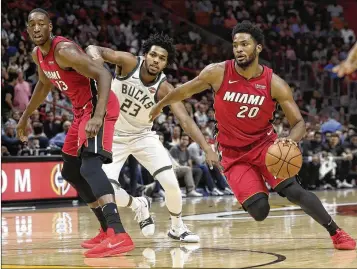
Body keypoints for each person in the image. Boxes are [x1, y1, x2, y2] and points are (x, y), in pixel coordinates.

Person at [149, 21, 356, 250]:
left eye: (245, 44)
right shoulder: (217, 73)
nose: (238, 49)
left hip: (265, 147)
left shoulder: (274, 84)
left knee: (294, 190)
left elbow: (298, 122)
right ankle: (250, 191)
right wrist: (161, 105)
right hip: (232, 153)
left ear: (258, 48)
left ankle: (336, 233)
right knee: (260, 211)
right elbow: (184, 90)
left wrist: (289, 140)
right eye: (235, 44)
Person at [17, 8, 134, 258]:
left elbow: (104, 73)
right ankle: (106, 230)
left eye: (41, 24)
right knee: (70, 170)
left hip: (98, 108)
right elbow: (43, 84)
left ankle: (120, 233)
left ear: (50, 27)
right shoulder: (38, 55)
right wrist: (24, 118)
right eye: (32, 25)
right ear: (28, 30)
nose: (37, 28)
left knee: (90, 167)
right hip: (81, 112)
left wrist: (98, 116)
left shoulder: (64, 51)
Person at [86, 33, 219, 242]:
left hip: (143, 136)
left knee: (171, 182)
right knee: (105, 189)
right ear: (145, 55)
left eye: (162, 58)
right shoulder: (129, 63)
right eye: (153, 55)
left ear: (166, 63)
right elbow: (97, 49)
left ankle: (177, 227)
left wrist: (207, 148)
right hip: (114, 135)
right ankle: (138, 204)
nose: (156, 61)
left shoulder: (165, 89)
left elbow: (185, 120)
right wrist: (95, 60)